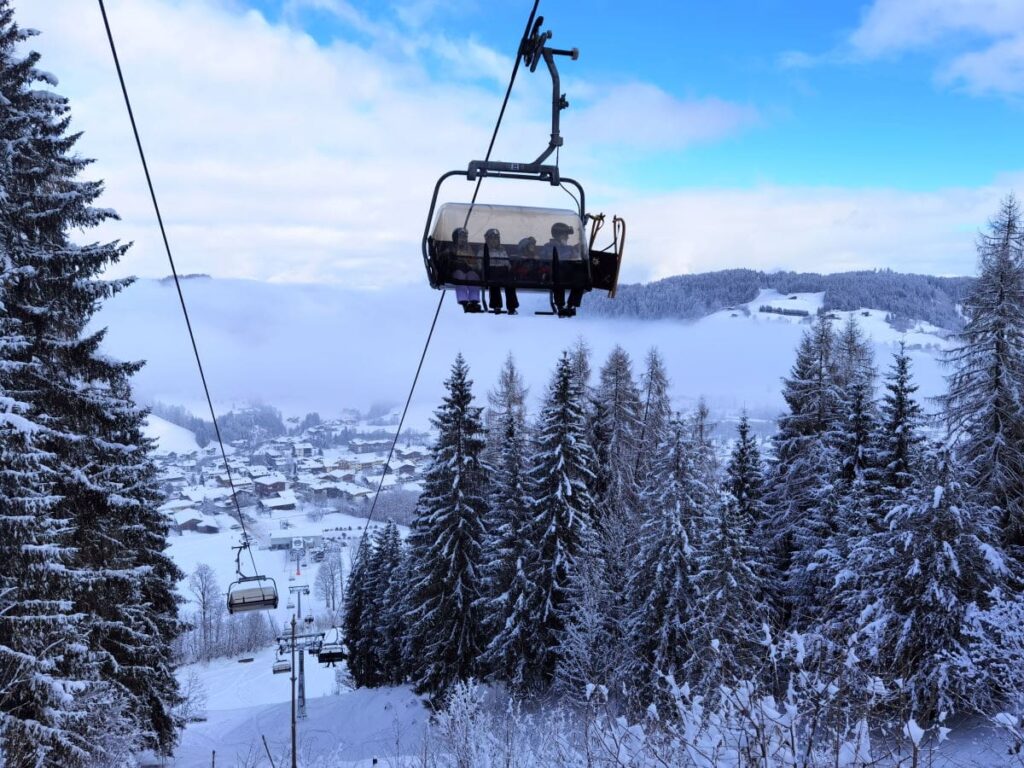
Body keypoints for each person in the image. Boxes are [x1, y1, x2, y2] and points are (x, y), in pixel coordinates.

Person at [542, 221, 584, 316]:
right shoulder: (548, 247)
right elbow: (545, 258)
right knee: (558, 279)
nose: (567, 238)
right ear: (559, 235)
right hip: (553, 274)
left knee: (581, 279)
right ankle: (560, 306)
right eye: (565, 235)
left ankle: (571, 305)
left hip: (567, 273)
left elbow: (575, 257)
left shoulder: (569, 248)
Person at [479, 228, 519, 314]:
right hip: (491, 271)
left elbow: (507, 262)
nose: (494, 241)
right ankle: (496, 305)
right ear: (487, 239)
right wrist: (482, 270)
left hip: (503, 270)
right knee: (494, 283)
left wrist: (509, 268)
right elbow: (479, 263)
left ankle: (512, 307)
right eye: (492, 238)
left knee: (510, 282)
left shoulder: (502, 249)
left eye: (496, 238)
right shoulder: (484, 250)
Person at [451, 227, 482, 313]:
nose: (463, 239)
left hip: (468, 269)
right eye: (461, 237)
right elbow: (449, 257)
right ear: (456, 238)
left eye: (465, 237)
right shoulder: (453, 248)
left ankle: (474, 300)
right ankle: (464, 301)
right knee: (460, 277)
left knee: (473, 276)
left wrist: (471, 263)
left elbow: (473, 261)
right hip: (458, 269)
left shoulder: (468, 248)